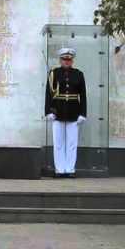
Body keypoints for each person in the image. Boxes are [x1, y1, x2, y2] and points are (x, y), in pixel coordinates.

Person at [45, 48, 87, 178]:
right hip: (57, 111)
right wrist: (48, 111)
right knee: (58, 143)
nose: (67, 62)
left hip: (74, 112)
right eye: (64, 59)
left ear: (72, 60)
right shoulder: (54, 73)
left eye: (69, 59)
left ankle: (70, 169)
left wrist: (83, 113)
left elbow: (83, 95)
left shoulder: (79, 74)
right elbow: (48, 94)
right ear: (60, 60)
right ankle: (59, 169)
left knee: (72, 143)